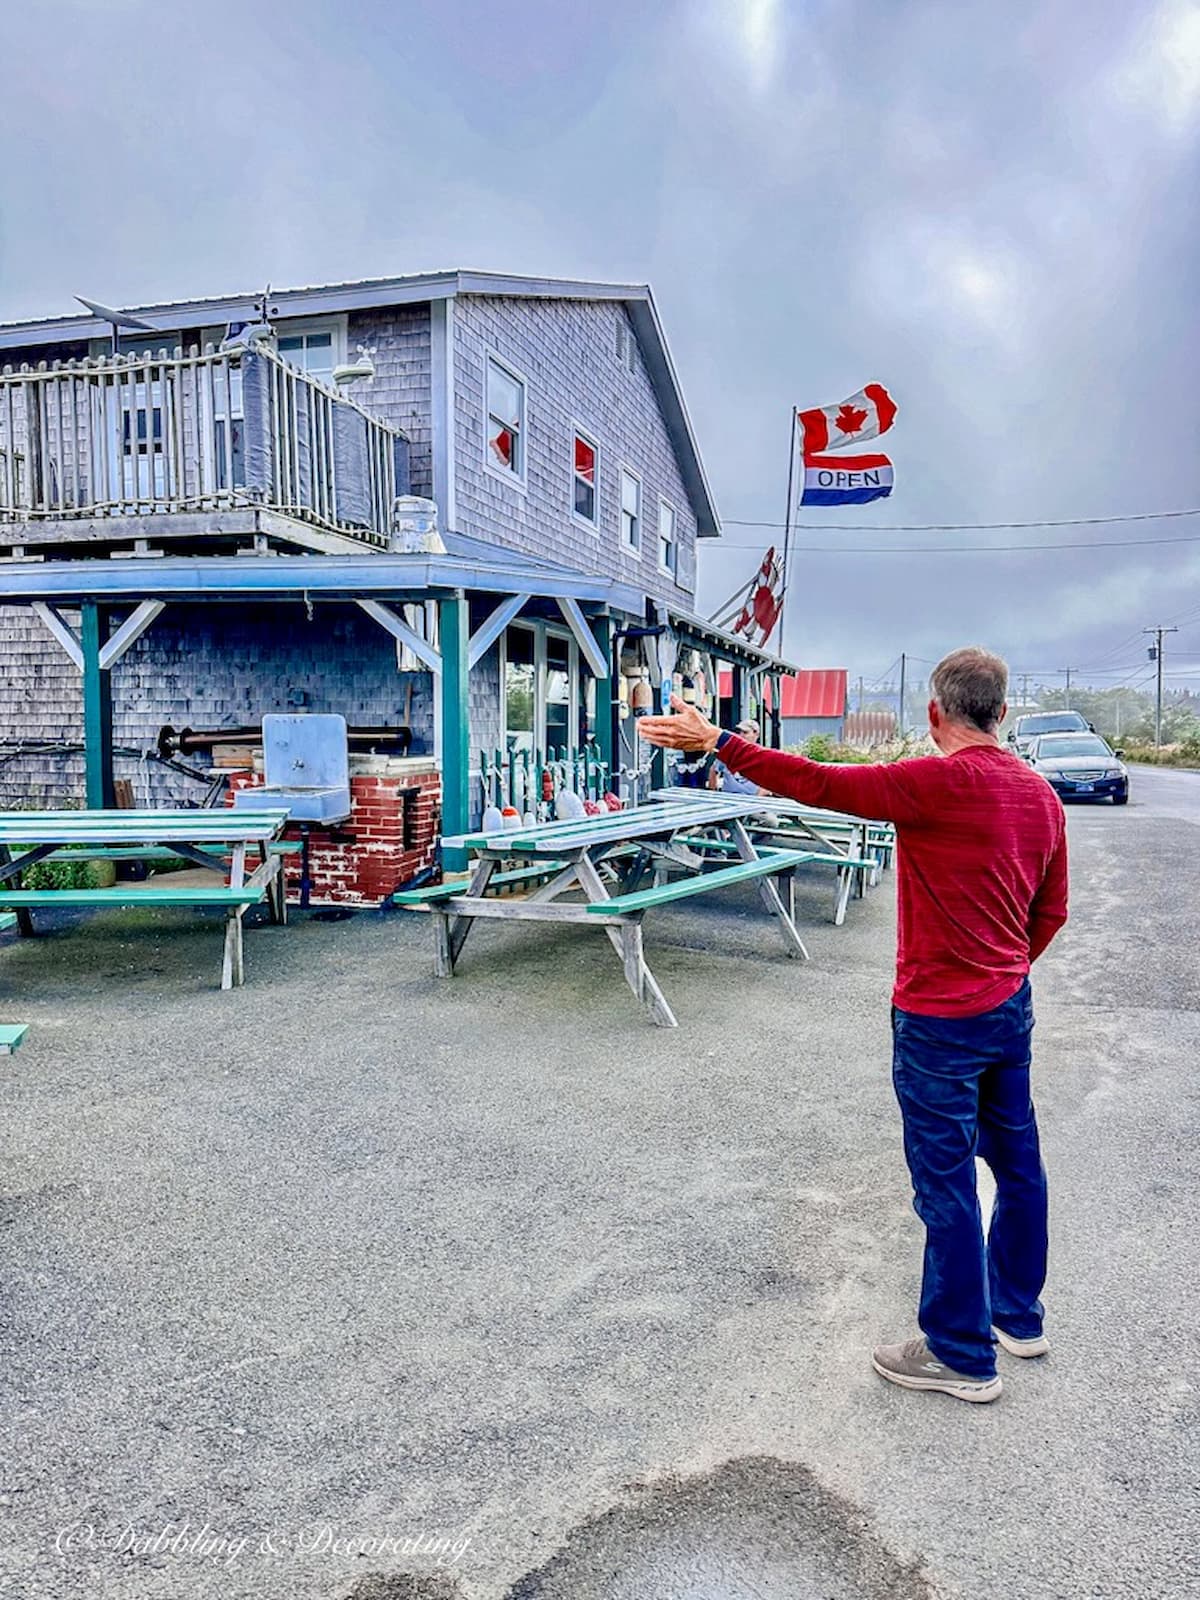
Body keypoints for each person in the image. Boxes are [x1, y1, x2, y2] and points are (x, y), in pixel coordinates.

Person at [637, 647, 1068, 1404]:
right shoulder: (1041, 795)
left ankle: (962, 1355)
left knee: (947, 1185)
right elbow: (1052, 909)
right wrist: (1005, 969)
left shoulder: (930, 781)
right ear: (1002, 713)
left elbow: (820, 783)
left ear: (935, 715)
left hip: (939, 1017)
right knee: (1017, 1164)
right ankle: (1017, 1317)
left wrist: (720, 742)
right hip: (1009, 1009)